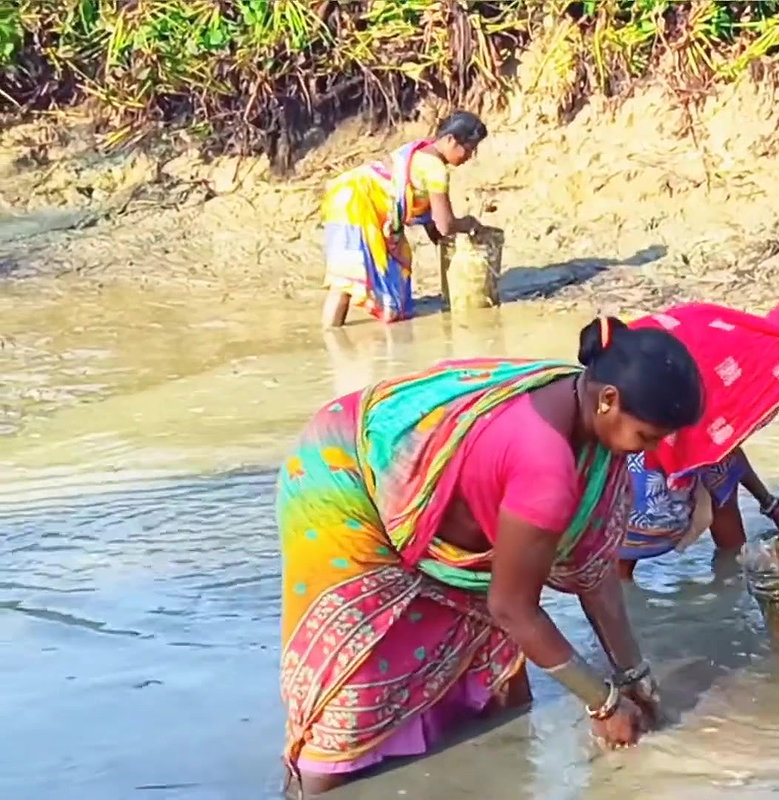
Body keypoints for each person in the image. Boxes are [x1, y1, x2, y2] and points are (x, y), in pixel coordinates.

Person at [277, 317, 704, 795]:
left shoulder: (580, 403)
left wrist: (633, 675)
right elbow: (511, 607)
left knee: (500, 681)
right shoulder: (544, 466)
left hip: (440, 508)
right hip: (343, 481)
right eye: (648, 436)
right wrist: (603, 704)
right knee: (355, 692)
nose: (653, 450)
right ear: (608, 400)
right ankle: (312, 786)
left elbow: (594, 568)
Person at [617, 290, 779, 581]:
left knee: (720, 473)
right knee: (625, 555)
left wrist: (769, 503)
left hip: (623, 389)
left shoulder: (739, 338)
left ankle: (730, 581)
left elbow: (721, 441)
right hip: (645, 417)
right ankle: (728, 591)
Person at [320, 111, 488, 328]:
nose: (469, 157)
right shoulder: (435, 169)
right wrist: (469, 224)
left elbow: (432, 225)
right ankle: (333, 339)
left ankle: (334, 338)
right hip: (356, 203)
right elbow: (444, 225)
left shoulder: (422, 152)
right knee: (345, 281)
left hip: (345, 195)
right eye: (469, 149)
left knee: (353, 278)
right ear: (450, 140)